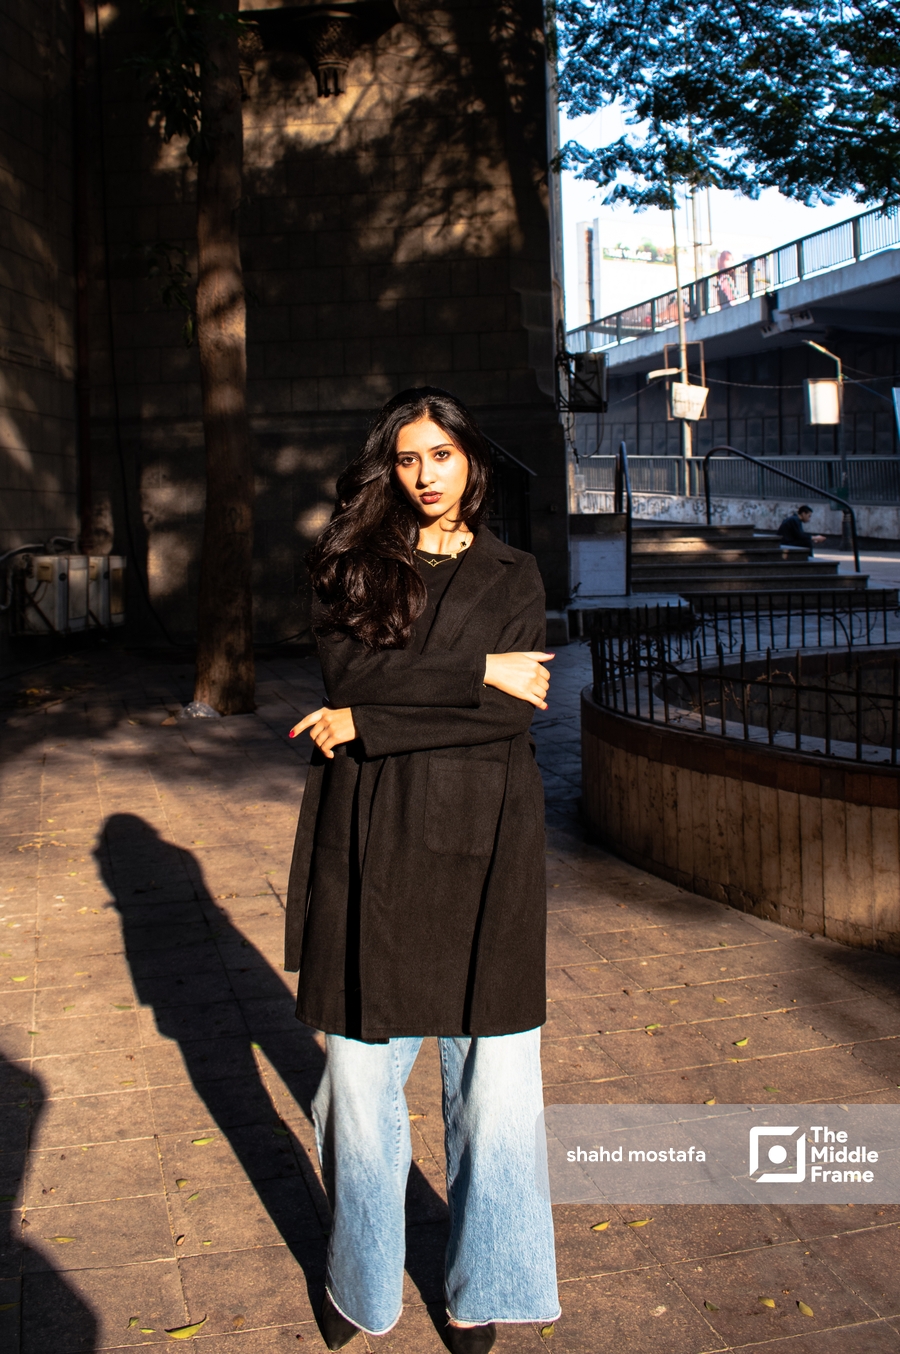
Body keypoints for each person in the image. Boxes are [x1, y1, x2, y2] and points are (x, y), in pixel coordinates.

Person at [285, 387, 561, 1353]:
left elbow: (516, 711)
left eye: (442, 454)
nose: (426, 474)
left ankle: (486, 1287)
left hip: (488, 842)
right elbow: (346, 679)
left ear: (470, 461)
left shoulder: (515, 572)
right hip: (371, 843)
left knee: (495, 1089)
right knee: (356, 1094)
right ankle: (361, 1283)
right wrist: (475, 672)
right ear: (390, 470)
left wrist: (373, 721)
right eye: (409, 459)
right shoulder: (352, 565)